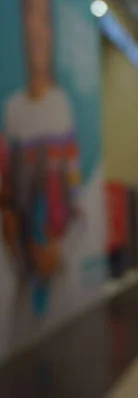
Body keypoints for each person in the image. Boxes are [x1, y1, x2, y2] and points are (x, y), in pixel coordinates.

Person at [1, 0, 80, 324]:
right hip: (22, 249)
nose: (36, 30)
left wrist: (55, 242)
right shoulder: (13, 109)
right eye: (29, 18)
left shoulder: (61, 105)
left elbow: (70, 186)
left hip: (52, 243)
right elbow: (9, 186)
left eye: (44, 19)